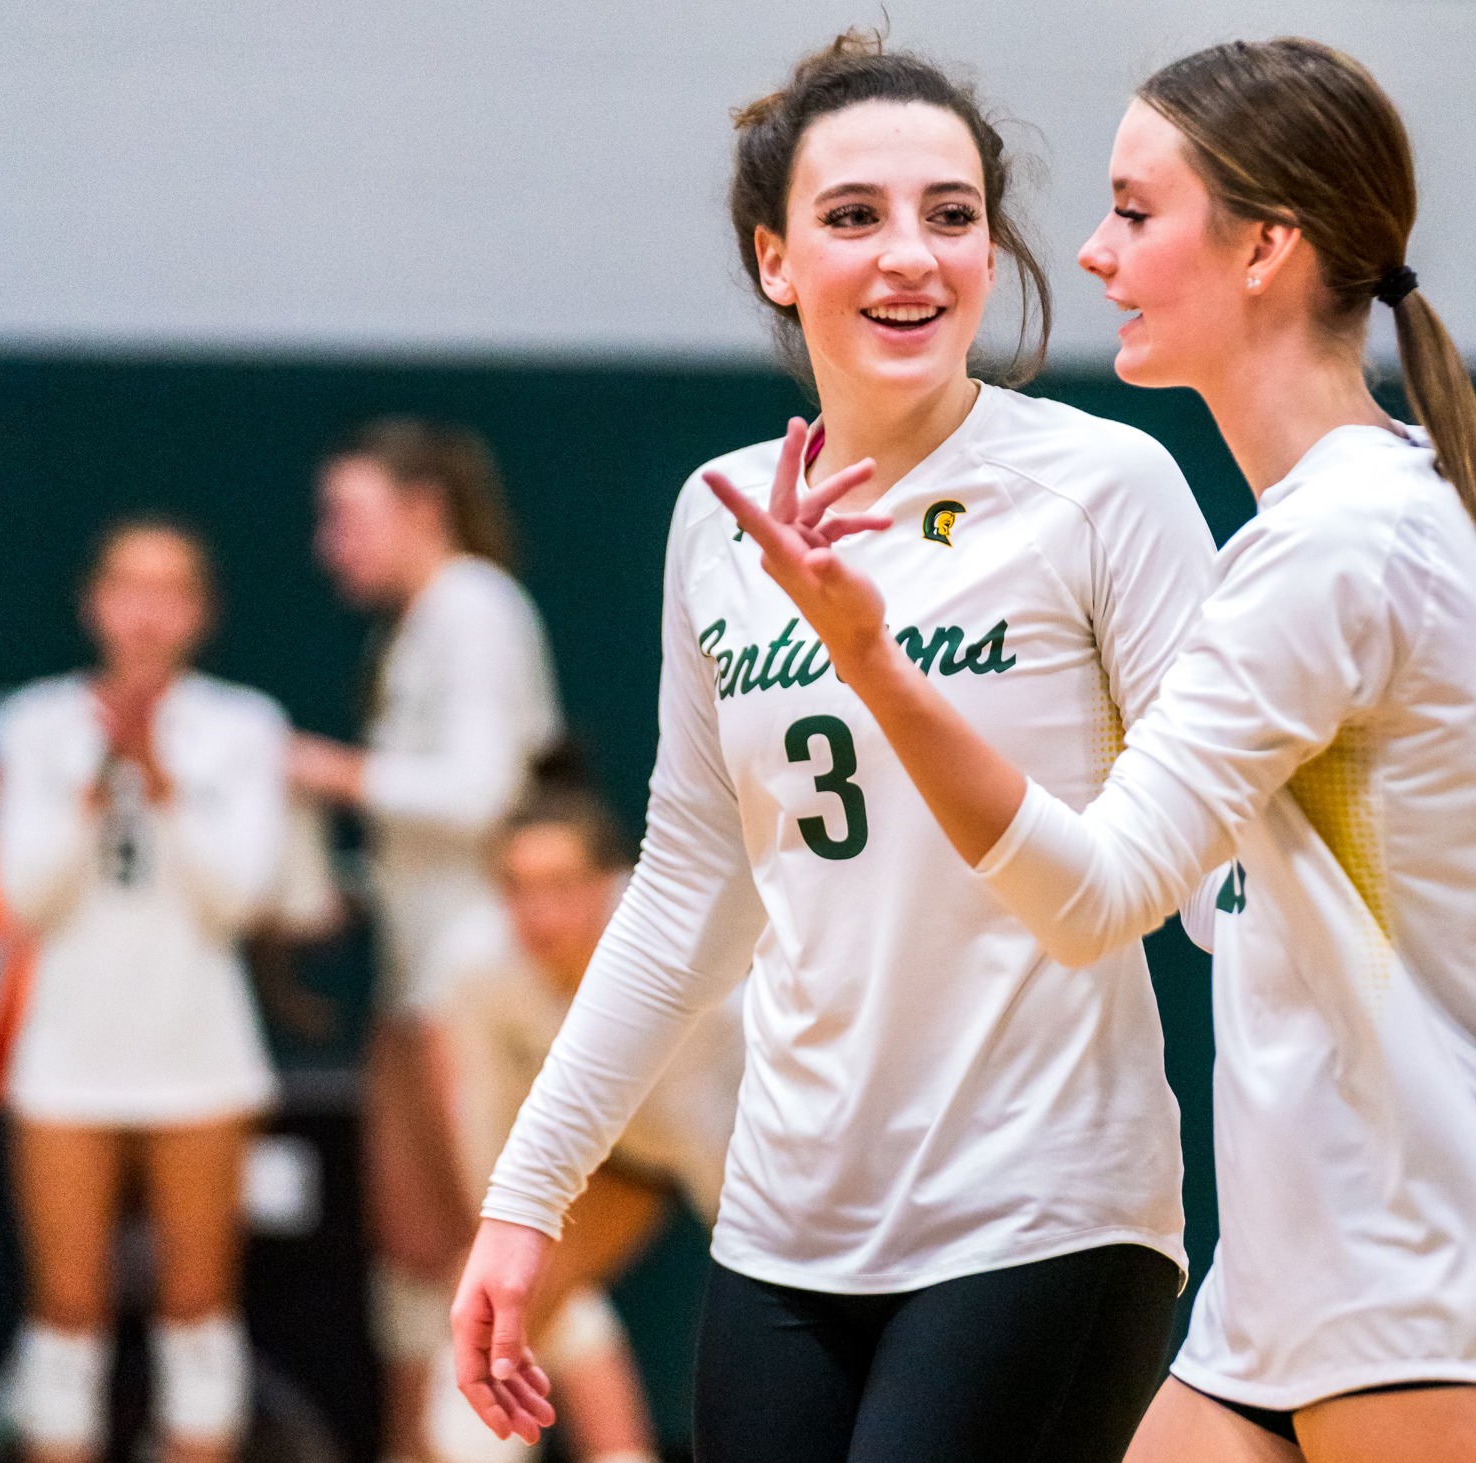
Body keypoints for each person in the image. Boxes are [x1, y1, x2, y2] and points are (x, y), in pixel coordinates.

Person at [702, 36, 1476, 1463]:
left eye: (1134, 209)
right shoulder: (1420, 512)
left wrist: (876, 664)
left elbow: (1095, 891)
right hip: (1278, 1295)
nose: (1097, 253)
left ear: (1266, 248)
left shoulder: (1332, 550)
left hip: (1433, 1268)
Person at [452, 33, 1220, 1463]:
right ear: (775, 258)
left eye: (951, 214)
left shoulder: (1105, 486)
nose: (910, 256)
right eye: (854, 216)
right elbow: (689, 887)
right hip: (787, 1221)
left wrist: (1428, 927)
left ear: (994, 250)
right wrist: (527, 1194)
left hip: (1044, 1206)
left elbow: (1226, 848)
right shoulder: (723, 511)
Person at [288, 418, 562, 1463]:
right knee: (411, 1245)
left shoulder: (473, 608)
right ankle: (420, 1441)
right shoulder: (412, 625)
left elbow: (486, 789)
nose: (331, 543)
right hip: (420, 978)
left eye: (347, 514)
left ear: (422, 508)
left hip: (478, 986)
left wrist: (330, 770)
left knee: (481, 1238)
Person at [0, 520, 288, 1463]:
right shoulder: (38, 721)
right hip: (65, 1053)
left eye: (171, 590)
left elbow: (238, 898)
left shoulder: (245, 724)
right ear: (93, 601)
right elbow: (24, 892)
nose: (147, 612)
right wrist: (94, 780)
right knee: (64, 1316)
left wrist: (161, 780)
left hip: (199, 1051)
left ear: (201, 611)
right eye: (127, 585)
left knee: (198, 1312)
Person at [423, 786, 742, 1463]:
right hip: (615, 1153)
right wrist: (503, 1231)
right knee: (490, 1316)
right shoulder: (477, 968)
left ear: (612, 883)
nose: (540, 911)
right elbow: (484, 1119)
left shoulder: (689, 953)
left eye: (563, 884)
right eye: (517, 886)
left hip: (740, 1155)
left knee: (782, 1333)